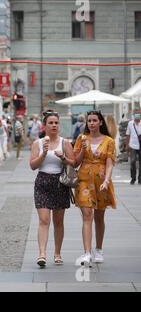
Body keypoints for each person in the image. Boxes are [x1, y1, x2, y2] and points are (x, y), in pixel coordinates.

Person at [30, 111, 75, 268]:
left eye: (56, 123)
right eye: (51, 123)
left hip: (59, 183)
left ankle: (57, 253)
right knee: (44, 220)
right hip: (42, 182)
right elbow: (32, 166)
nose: (54, 125)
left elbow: (74, 163)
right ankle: (42, 254)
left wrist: (63, 157)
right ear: (45, 125)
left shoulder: (65, 143)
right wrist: (43, 155)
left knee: (58, 222)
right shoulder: (38, 143)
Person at [74, 110, 116, 266]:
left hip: (101, 182)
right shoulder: (81, 138)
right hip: (84, 179)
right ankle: (86, 252)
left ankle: (99, 249)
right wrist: (83, 149)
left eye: (94, 120)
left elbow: (110, 162)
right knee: (87, 215)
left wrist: (107, 180)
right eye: (89, 121)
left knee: (99, 217)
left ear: (100, 122)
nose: (91, 123)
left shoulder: (109, 141)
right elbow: (75, 162)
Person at [125, 111, 141, 185]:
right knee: (132, 161)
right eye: (136, 114)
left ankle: (140, 178)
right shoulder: (130, 123)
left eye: (138, 114)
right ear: (134, 116)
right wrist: (127, 145)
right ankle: (133, 178)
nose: (137, 116)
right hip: (132, 145)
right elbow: (128, 134)